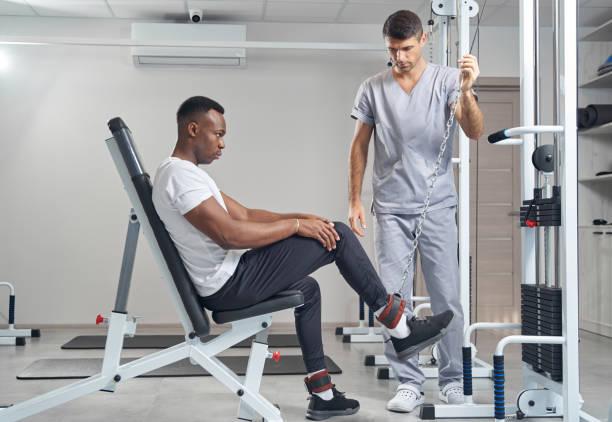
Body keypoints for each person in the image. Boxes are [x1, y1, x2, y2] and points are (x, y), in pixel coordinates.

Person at [152, 95, 454, 420]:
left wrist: (302, 217)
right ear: (193, 129)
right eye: (218, 134)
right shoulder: (179, 177)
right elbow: (230, 235)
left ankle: (322, 394)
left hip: (231, 276)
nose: (223, 144)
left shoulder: (189, 175)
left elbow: (245, 214)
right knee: (338, 236)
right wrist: (297, 226)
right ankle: (399, 325)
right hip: (229, 284)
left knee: (307, 290)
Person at [347, 10, 484, 413]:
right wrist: (354, 199)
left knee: (448, 298)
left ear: (423, 40)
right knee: (393, 301)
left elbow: (473, 130)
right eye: (392, 49)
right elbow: (359, 146)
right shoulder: (372, 88)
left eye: (406, 48)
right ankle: (407, 382)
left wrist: (469, 89)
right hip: (389, 208)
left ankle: (453, 380)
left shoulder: (446, 80)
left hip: (436, 205)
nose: (400, 57)